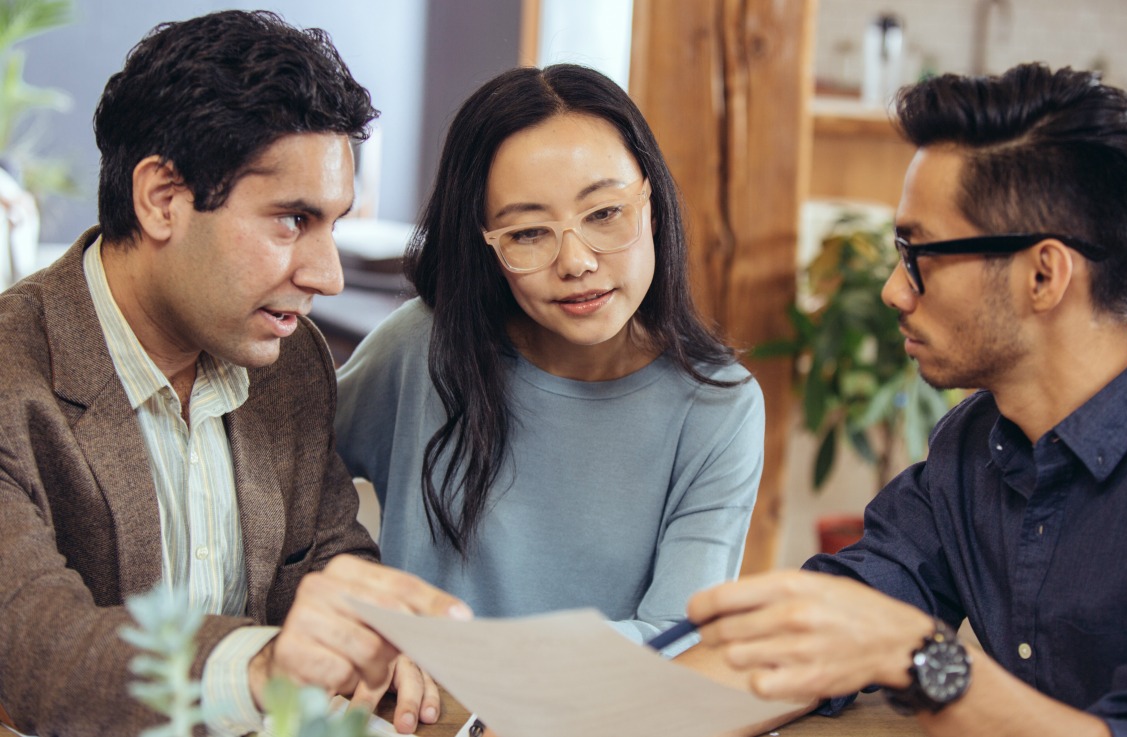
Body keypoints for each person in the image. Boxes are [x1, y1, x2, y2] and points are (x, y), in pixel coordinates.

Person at [689, 63, 1127, 737]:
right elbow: (828, 630)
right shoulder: (976, 444)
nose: (894, 292)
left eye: (918, 254)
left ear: (1044, 274)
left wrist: (918, 655)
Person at [0, 11, 469, 737]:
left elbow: (318, 553)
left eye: (334, 224)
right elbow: (38, 647)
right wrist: (260, 666)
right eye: (291, 220)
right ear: (162, 199)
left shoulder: (293, 363)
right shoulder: (11, 374)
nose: (329, 274)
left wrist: (375, 629)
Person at [335, 64, 764, 647]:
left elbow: (673, 636)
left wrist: (503, 677)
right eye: (528, 232)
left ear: (653, 206)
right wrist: (350, 583)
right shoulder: (421, 347)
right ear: (485, 243)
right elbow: (282, 479)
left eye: (605, 214)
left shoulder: (717, 405)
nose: (577, 262)